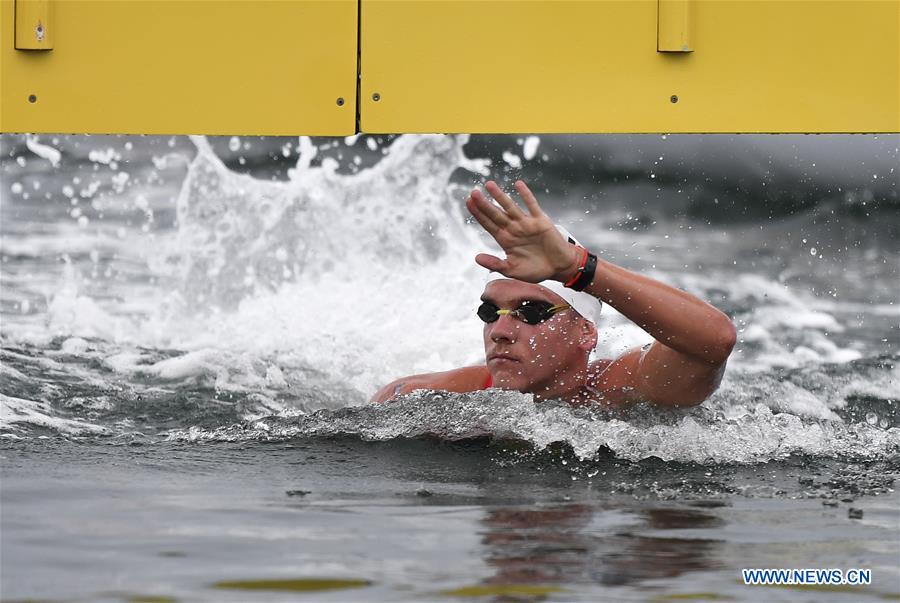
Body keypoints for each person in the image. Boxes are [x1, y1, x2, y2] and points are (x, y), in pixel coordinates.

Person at [370, 180, 736, 407]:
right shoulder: (452, 396)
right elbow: (383, 404)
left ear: (586, 332)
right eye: (490, 312)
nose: (500, 331)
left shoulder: (626, 393)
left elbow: (714, 340)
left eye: (530, 312)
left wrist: (577, 267)